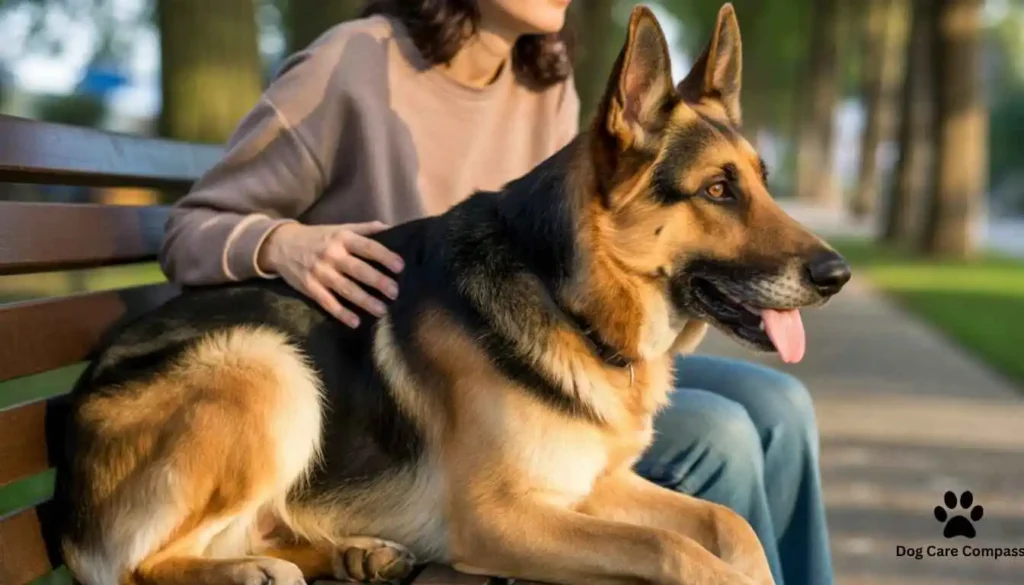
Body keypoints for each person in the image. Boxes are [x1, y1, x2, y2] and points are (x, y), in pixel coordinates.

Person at [158, 1, 833, 583]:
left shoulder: (546, 78)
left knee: (780, 405)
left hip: (544, 337)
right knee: (723, 433)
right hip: (396, 365)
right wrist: (284, 243)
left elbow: (584, 234)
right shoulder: (351, 63)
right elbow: (190, 229)